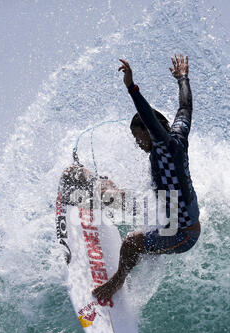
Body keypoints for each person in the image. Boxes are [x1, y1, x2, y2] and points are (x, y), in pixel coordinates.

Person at [93, 54, 201, 302]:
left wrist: (132, 88)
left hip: (183, 232)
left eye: (138, 136)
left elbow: (147, 114)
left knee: (132, 242)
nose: (138, 143)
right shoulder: (178, 134)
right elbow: (185, 108)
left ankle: (117, 282)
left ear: (150, 132)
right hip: (168, 210)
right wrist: (182, 78)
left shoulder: (163, 144)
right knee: (109, 194)